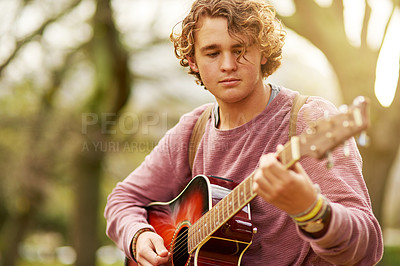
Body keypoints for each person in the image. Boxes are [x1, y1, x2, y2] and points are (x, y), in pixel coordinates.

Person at [104, 0, 383, 265]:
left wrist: (311, 210)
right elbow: (122, 200)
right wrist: (138, 236)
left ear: (263, 51)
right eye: (212, 53)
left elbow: (366, 249)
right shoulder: (192, 131)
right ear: (192, 61)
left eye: (240, 50)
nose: (228, 65)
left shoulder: (309, 120)